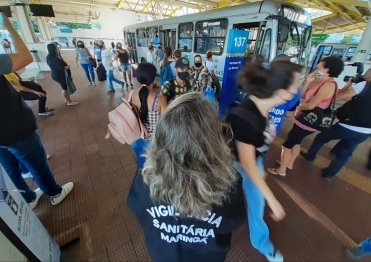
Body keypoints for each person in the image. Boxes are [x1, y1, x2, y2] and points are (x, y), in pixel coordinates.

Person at [127, 92, 246, 261]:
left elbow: (140, 213)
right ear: (214, 140)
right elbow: (231, 222)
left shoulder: (145, 176)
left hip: (163, 253)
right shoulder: (229, 182)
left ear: (162, 135)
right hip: (208, 256)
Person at [228, 60, 303, 262]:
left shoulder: (263, 102)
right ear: (282, 91)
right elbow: (247, 165)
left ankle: (261, 243)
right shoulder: (245, 116)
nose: (297, 90)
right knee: (244, 199)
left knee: (256, 201)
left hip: (253, 161)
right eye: (296, 85)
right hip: (236, 164)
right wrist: (273, 200)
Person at [0, 13, 74, 210]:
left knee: (10, 168)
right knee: (38, 163)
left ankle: (29, 198)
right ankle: (55, 192)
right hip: (13, 127)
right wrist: (7, 24)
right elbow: (24, 57)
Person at [268, 56, 344, 177]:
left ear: (326, 70)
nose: (316, 69)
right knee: (297, 143)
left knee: (286, 145)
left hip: (306, 123)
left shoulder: (328, 85)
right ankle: (289, 163)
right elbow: (303, 96)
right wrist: (308, 82)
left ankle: (281, 170)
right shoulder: (322, 83)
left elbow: (310, 106)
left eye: (319, 67)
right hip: (305, 122)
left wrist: (293, 108)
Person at [300, 68, 371, 181]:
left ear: (368, 77)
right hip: (366, 132)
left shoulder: (365, 85)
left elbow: (337, 98)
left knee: (321, 137)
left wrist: (348, 86)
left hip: (348, 125)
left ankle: (310, 156)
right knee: (346, 153)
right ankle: (329, 174)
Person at [124, 63, 167, 167]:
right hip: (153, 142)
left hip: (135, 138)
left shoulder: (129, 95)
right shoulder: (159, 99)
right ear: (154, 78)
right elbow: (167, 123)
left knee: (140, 161)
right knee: (154, 165)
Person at [267, 55, 301, 134]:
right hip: (272, 129)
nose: (294, 91)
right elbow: (289, 114)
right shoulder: (296, 93)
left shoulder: (262, 82)